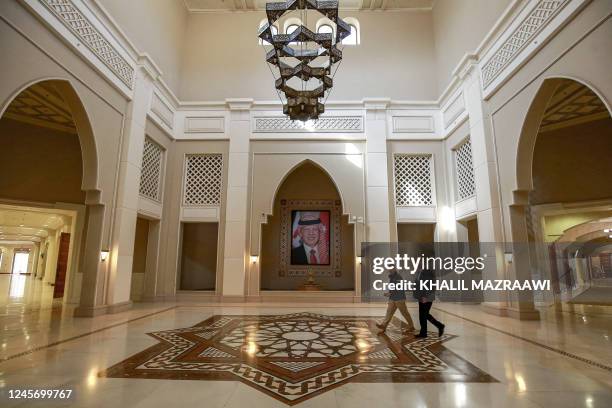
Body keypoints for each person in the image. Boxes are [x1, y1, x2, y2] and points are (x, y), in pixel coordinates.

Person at [376, 269, 415, 335]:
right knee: (389, 313)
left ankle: (411, 326)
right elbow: (392, 287)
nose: (389, 270)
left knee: (405, 313)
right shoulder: (392, 277)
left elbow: (398, 287)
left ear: (394, 269)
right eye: (389, 269)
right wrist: (389, 293)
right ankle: (383, 326)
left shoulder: (398, 277)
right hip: (392, 298)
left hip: (399, 299)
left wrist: (390, 293)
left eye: (391, 269)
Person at [413, 268, 445, 338]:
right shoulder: (419, 272)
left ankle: (425, 332)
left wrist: (426, 296)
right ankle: (438, 326)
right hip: (421, 297)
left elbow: (430, 285)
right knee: (423, 315)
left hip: (426, 298)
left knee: (424, 315)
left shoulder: (428, 271)